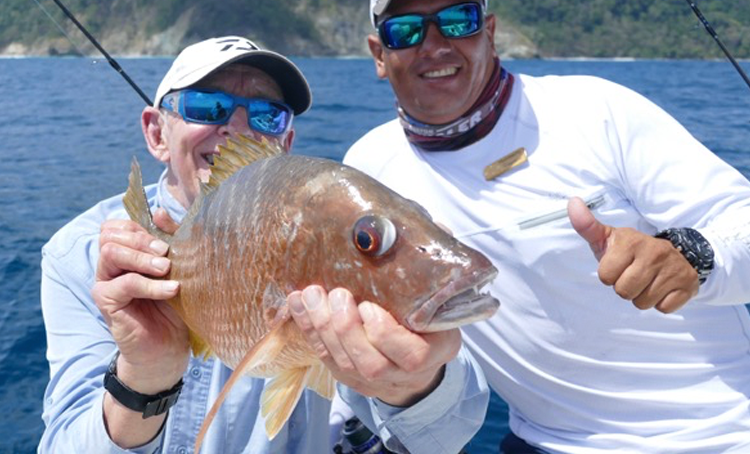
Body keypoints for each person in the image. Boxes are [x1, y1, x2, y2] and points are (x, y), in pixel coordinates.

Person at [343, 0, 750, 452]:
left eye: (458, 20)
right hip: (541, 442)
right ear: (378, 54)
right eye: (406, 30)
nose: (434, 44)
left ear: (488, 31)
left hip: (724, 433)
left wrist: (691, 255)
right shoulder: (367, 168)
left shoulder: (595, 111)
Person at [38, 35, 489, 454]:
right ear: (157, 133)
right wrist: (144, 379)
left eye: (266, 115)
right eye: (207, 106)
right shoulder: (84, 254)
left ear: (285, 142)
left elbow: (446, 435)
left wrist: (414, 382)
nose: (237, 128)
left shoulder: (322, 236)